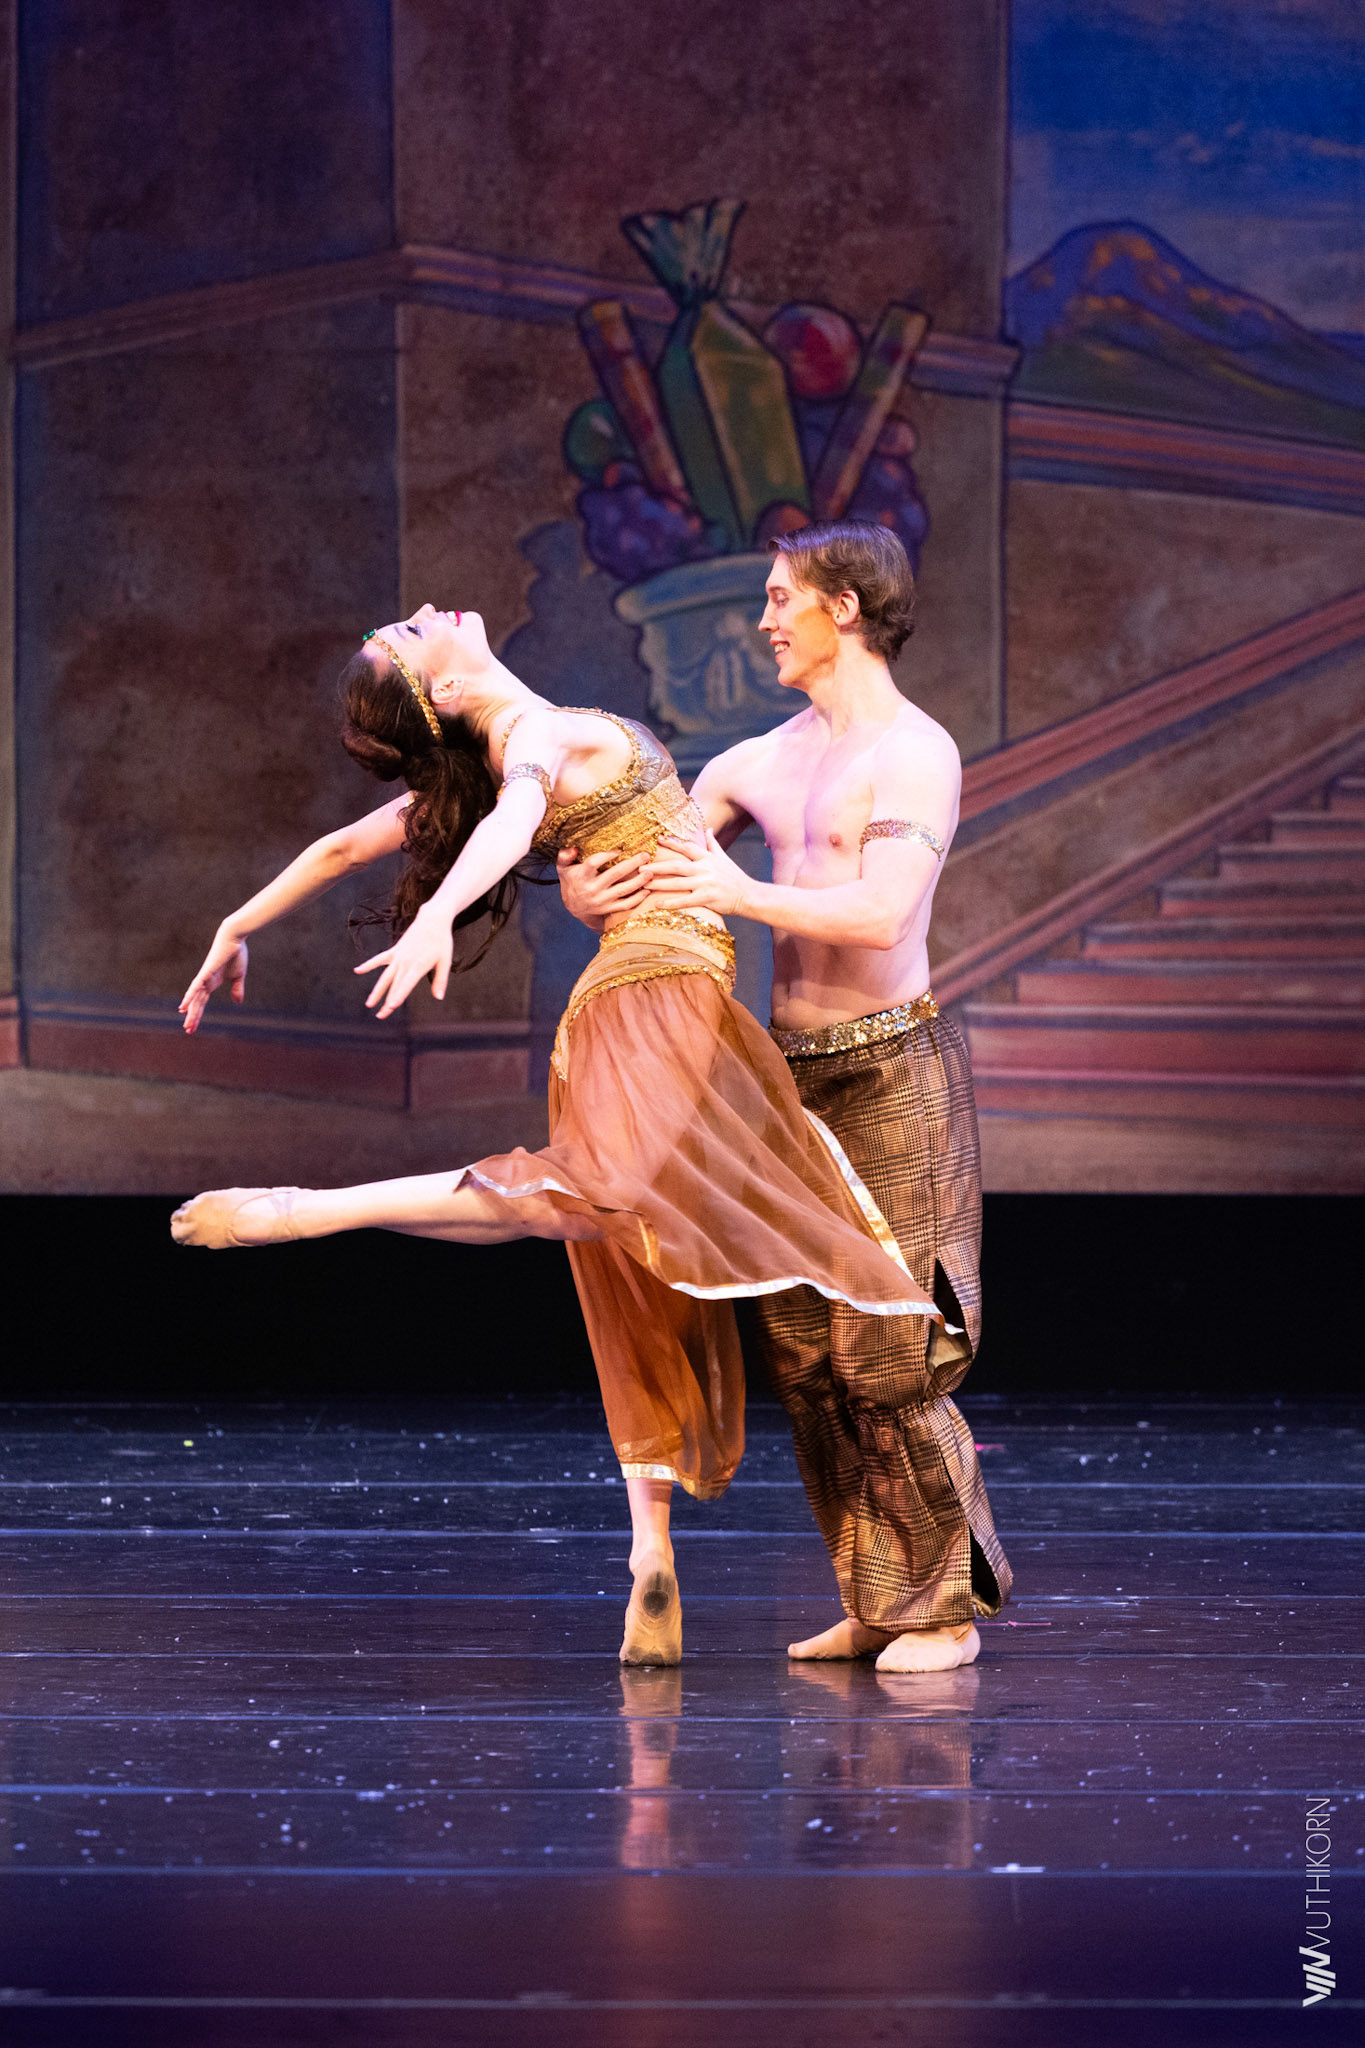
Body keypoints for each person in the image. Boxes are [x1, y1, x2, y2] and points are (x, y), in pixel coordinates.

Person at [171, 603, 940, 1667]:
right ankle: (305, 1211)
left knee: (631, 1250)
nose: (422, 612)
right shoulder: (530, 739)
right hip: (653, 993)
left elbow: (343, 846)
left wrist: (236, 922)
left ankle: (649, 1550)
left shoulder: (513, 748)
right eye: (408, 635)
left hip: (627, 1001)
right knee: (591, 1196)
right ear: (444, 691)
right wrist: (436, 913)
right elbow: (504, 822)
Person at [558, 521, 1011, 1674]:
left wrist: (736, 890)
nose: (763, 619)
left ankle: (943, 1611)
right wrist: (586, 888)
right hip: (787, 1076)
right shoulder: (752, 762)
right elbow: (643, 863)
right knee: (807, 1350)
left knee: (893, 1342)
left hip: (892, 1065)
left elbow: (881, 913)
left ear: (843, 606)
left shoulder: (914, 753)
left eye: (778, 597)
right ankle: (877, 1597)